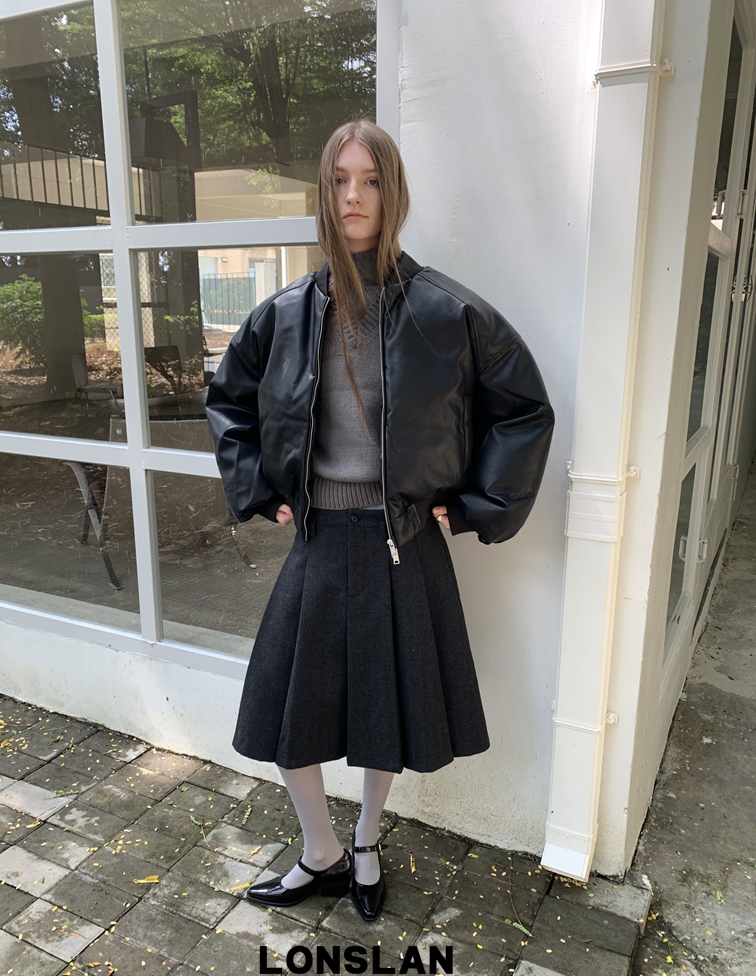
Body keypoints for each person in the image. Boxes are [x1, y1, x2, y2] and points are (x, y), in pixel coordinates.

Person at [205, 118, 554, 923]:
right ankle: (320, 850)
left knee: (383, 714)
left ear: (392, 192)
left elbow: (524, 409)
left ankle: (365, 844)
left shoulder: (445, 311)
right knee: (284, 717)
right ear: (323, 194)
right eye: (339, 180)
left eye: (370, 180)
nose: (354, 196)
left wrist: (476, 503)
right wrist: (259, 486)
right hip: (319, 540)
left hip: (405, 544)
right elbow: (228, 400)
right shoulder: (285, 313)